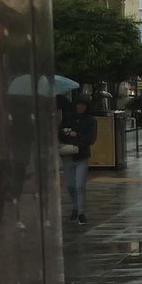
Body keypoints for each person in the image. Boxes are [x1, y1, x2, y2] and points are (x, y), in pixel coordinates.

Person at [60, 92, 97, 224]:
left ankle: (81, 212)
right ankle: (76, 207)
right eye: (79, 105)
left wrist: (76, 135)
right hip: (68, 155)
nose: (81, 107)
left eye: (83, 105)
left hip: (81, 156)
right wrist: (72, 136)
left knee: (80, 185)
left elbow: (90, 139)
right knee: (70, 185)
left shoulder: (90, 120)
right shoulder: (68, 118)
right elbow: (61, 134)